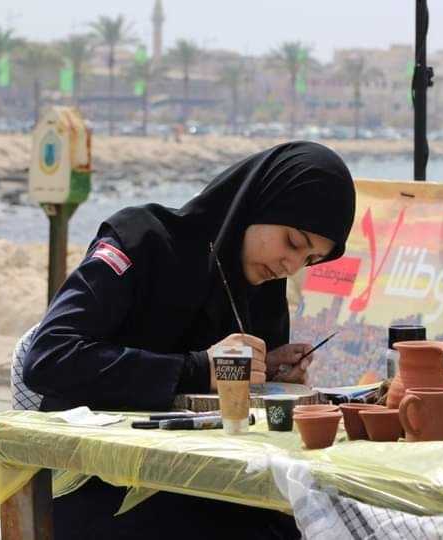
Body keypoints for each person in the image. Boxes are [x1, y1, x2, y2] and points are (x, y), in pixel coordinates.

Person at [21, 141, 356, 539]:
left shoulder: (263, 291)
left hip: (211, 481)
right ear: (259, 203)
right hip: (106, 483)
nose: (292, 265)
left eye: (310, 260)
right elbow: (50, 356)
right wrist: (199, 369)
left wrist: (268, 378)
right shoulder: (141, 241)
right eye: (294, 242)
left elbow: (242, 424)